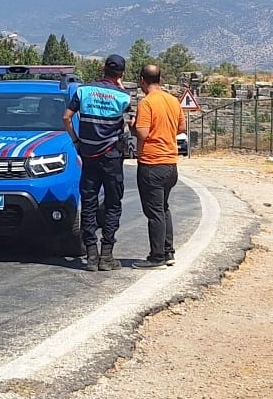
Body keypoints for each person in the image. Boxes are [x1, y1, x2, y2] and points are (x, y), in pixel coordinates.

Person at [65, 54, 135, 271]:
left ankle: (91, 255)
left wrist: (76, 140)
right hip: (112, 156)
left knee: (89, 203)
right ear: (121, 74)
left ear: (103, 68)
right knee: (113, 204)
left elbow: (66, 117)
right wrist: (120, 86)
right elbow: (131, 121)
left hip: (88, 156)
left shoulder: (83, 91)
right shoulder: (123, 97)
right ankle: (107, 255)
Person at [133, 63, 185, 269]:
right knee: (163, 208)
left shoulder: (146, 103)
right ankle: (168, 251)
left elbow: (143, 134)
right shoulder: (173, 101)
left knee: (154, 212)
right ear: (160, 80)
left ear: (142, 81)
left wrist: (133, 126)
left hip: (151, 163)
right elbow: (181, 127)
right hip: (171, 163)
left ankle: (156, 257)